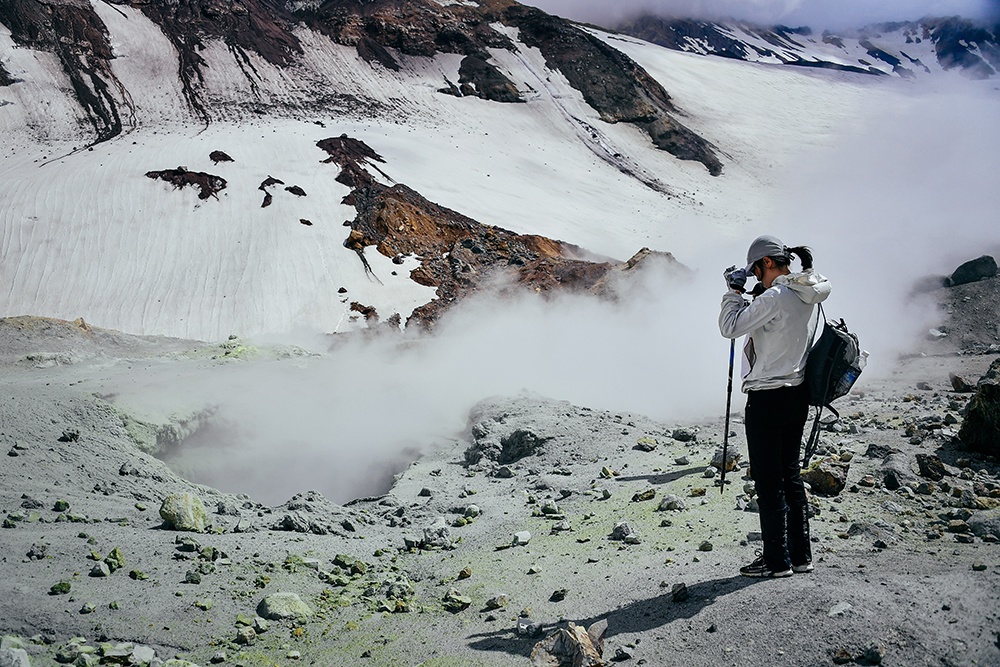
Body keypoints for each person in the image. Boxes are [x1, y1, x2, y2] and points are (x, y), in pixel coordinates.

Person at [719, 235, 831, 578]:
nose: (754, 278)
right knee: (790, 476)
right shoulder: (805, 292)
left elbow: (729, 328)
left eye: (755, 271)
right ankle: (800, 556)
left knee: (768, 482)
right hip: (796, 394)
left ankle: (776, 561)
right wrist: (754, 295)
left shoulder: (775, 297)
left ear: (767, 262)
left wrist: (733, 293)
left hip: (766, 398)